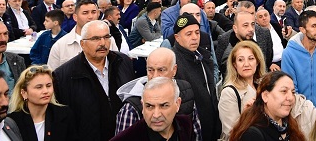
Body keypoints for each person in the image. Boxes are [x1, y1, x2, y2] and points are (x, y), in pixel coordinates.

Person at [53, 20, 135, 141]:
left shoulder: (123, 61)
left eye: (106, 37)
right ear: (82, 44)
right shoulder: (64, 75)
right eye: (96, 38)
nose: (103, 43)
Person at [114, 48, 201, 137]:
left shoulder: (186, 90)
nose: (155, 76)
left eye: (161, 70)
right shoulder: (131, 108)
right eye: (150, 70)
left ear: (174, 70)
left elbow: (196, 133)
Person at [171, 13, 221, 141]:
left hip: (211, 126)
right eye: (189, 34)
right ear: (177, 37)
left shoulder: (203, 56)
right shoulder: (173, 63)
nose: (195, 37)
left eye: (197, 33)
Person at [228, 71, 307, 141]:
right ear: (265, 96)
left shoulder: (291, 128)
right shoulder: (252, 135)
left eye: (293, 92)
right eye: (284, 91)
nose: (290, 98)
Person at [7, 65, 79, 141]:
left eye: (48, 86)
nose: (45, 91)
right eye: (39, 87)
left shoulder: (64, 114)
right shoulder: (13, 121)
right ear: (24, 93)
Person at [111, 78, 195, 141]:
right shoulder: (127, 138)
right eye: (149, 106)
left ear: (177, 104)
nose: (156, 115)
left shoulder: (186, 124)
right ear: (142, 106)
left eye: (164, 106)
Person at [219, 41, 267, 141]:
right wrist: (245, 115)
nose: (246, 64)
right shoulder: (229, 92)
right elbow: (230, 133)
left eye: (251, 59)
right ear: (234, 65)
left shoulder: (263, 86)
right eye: (240, 60)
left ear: (257, 62)